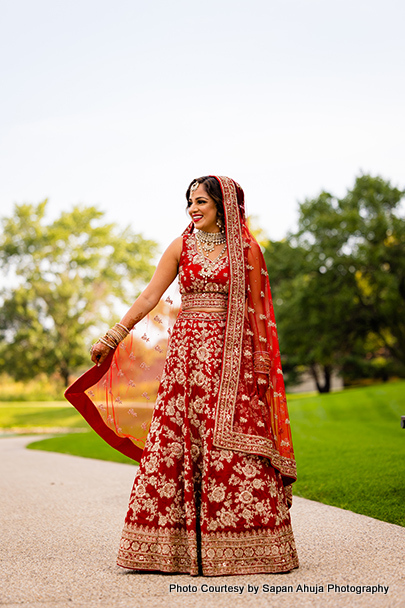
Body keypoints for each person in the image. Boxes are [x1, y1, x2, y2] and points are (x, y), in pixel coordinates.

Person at [65, 175, 298, 576]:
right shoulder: (180, 245)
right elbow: (149, 295)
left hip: (232, 362)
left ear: (223, 206)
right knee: (177, 443)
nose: (193, 208)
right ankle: (167, 550)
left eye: (202, 202)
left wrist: (259, 363)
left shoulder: (247, 250)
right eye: (190, 202)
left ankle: (253, 546)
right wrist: (115, 334)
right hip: (186, 361)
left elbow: (259, 311)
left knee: (237, 445)